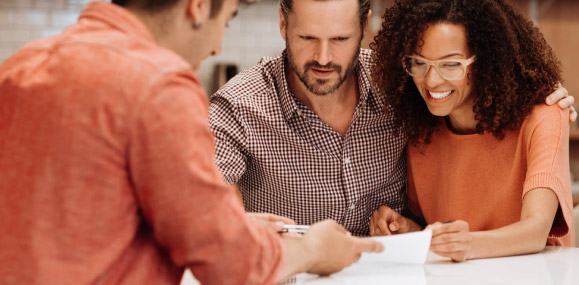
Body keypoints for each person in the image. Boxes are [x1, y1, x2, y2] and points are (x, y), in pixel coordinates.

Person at [0, 0, 381, 284]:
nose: (216, 48)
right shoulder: (158, 82)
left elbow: (82, 216)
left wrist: (229, 222)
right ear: (198, 7)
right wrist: (314, 249)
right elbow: (228, 262)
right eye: (227, 20)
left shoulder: (20, 66)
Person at [208, 0, 577, 237]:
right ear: (282, 24)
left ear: (365, 24)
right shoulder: (240, 106)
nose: (323, 57)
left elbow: (456, 81)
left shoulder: (400, 85)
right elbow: (200, 212)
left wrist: (541, 94)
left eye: (339, 38)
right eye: (307, 37)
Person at [368, 0, 574, 262]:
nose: (431, 81)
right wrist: (410, 231)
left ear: (490, 60)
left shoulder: (544, 116)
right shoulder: (422, 131)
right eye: (418, 63)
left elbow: (535, 231)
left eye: (451, 65)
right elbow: (452, 243)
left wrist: (468, 243)